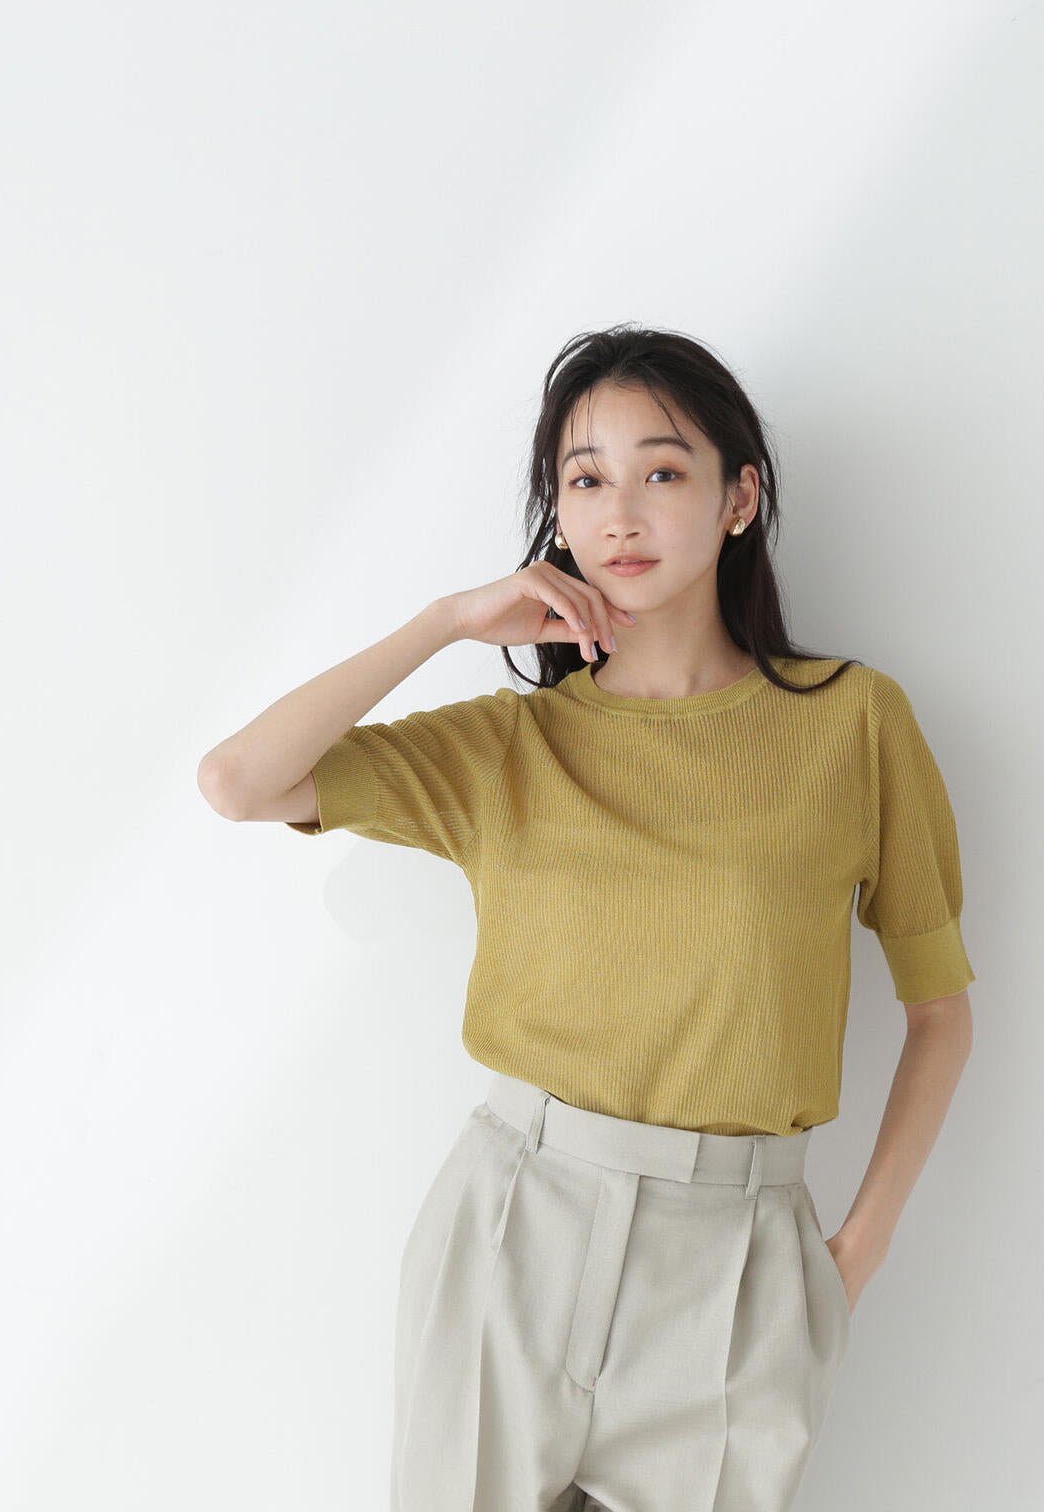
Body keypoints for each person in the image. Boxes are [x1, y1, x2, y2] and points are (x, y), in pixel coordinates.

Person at [197, 325, 976, 1512]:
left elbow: (939, 1015)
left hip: (736, 1268)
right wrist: (445, 621)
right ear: (555, 515)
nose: (620, 513)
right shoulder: (510, 747)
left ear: (737, 498)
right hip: (511, 1231)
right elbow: (238, 783)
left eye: (660, 470)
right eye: (584, 478)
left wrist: (848, 1259)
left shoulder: (851, 724)